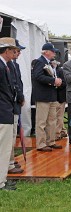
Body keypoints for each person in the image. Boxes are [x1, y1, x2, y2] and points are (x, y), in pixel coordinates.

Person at [32, 43, 63, 151]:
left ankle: (51, 141)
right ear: (46, 52)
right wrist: (53, 80)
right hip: (42, 96)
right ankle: (41, 144)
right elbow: (38, 76)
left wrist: (56, 80)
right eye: (52, 51)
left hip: (51, 95)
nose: (54, 53)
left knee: (52, 120)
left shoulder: (49, 63)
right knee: (41, 122)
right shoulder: (39, 62)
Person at [0, 37, 18, 190]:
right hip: (3, 112)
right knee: (3, 149)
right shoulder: (1, 66)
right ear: (6, 51)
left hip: (5, 111)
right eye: (13, 50)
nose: (14, 53)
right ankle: (1, 182)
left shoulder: (4, 65)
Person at [7, 39, 25, 174]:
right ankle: (8, 162)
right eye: (16, 50)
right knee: (9, 136)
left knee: (13, 135)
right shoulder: (7, 65)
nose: (18, 53)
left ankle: (10, 160)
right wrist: (19, 96)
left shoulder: (15, 65)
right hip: (10, 104)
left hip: (15, 104)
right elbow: (13, 84)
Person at [51, 60, 68, 140]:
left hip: (60, 97)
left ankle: (57, 134)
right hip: (53, 97)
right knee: (56, 116)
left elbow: (64, 83)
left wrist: (58, 84)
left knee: (59, 116)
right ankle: (63, 131)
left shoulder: (60, 71)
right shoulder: (49, 70)